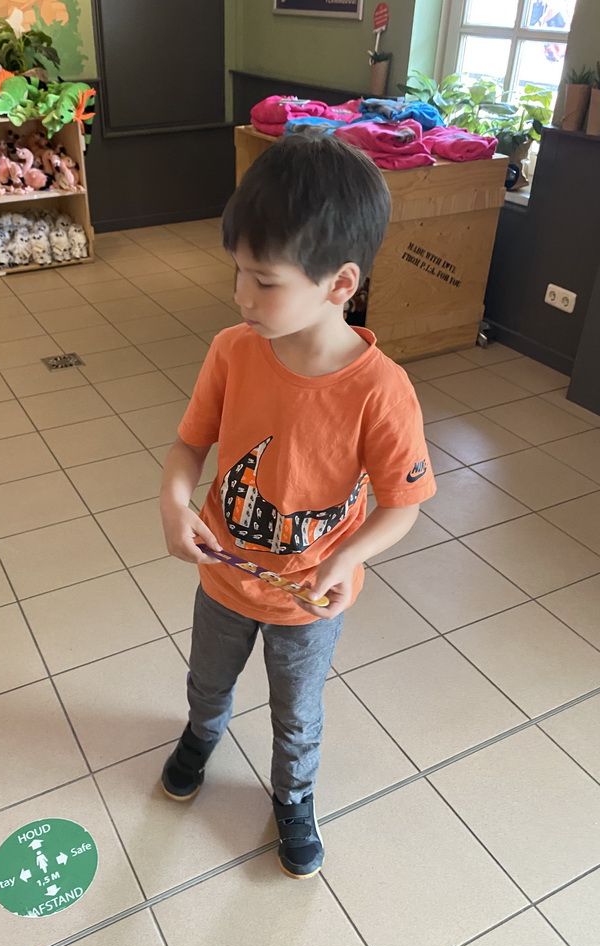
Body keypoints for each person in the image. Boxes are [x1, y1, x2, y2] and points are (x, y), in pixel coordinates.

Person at [158, 132, 437, 880]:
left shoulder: (381, 391)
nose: (242, 297)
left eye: (266, 281)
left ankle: (293, 795)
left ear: (340, 284)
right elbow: (189, 448)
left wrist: (347, 556)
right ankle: (199, 737)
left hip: (311, 596)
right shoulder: (232, 350)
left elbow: (402, 504)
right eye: (239, 273)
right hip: (223, 575)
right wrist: (174, 500)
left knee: (297, 712)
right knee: (208, 679)